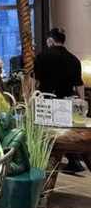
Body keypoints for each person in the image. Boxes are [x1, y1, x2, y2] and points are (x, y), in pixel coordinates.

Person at [34, 28, 85, 173]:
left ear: (50, 40)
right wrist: (82, 102)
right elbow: (79, 84)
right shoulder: (74, 59)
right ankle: (74, 161)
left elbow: (35, 81)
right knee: (64, 132)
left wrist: (31, 97)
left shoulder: (42, 56)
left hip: (47, 101)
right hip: (66, 101)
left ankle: (46, 163)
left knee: (47, 134)